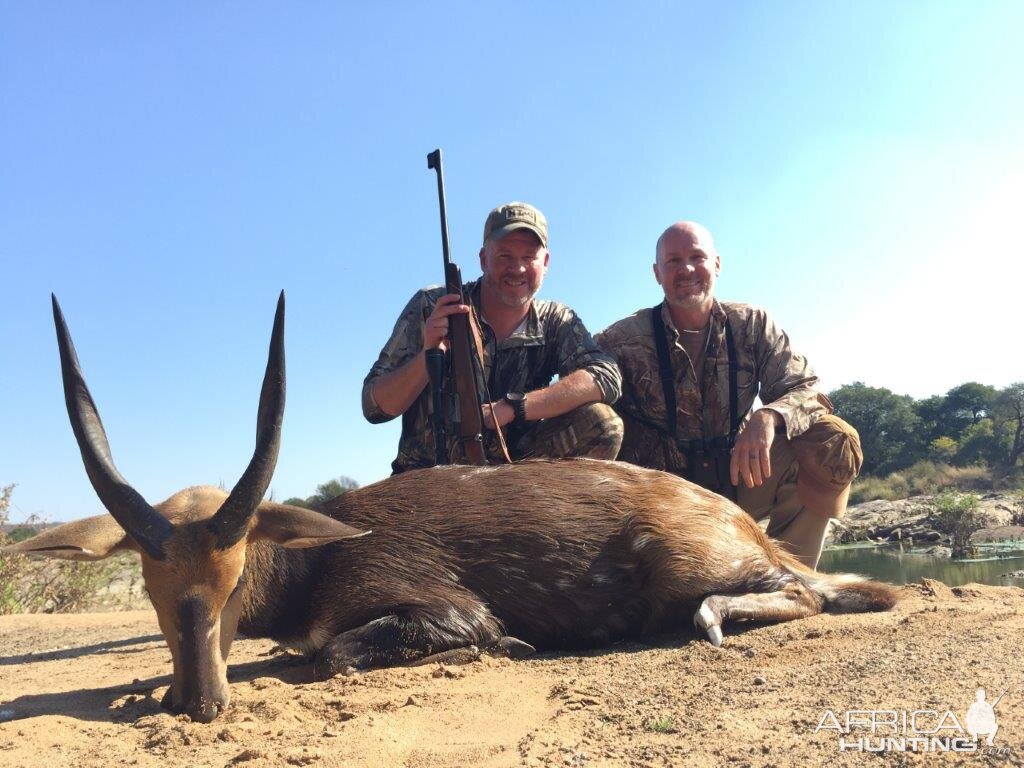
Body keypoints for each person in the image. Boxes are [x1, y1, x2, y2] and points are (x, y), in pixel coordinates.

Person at [596, 221, 861, 568]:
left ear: (717, 264)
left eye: (697, 257)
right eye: (673, 261)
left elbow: (807, 388)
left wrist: (769, 417)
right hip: (659, 503)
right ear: (657, 273)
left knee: (831, 438)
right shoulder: (618, 340)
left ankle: (791, 584)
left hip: (739, 477)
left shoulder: (753, 324)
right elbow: (584, 391)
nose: (687, 269)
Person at [364, 201, 623, 473]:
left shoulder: (556, 320)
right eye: (505, 256)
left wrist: (517, 406)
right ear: (483, 259)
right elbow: (374, 407)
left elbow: (606, 375)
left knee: (603, 423)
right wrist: (428, 356)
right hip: (430, 480)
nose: (518, 269)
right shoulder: (433, 305)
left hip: (515, 481)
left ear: (545, 262)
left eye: (528, 258)